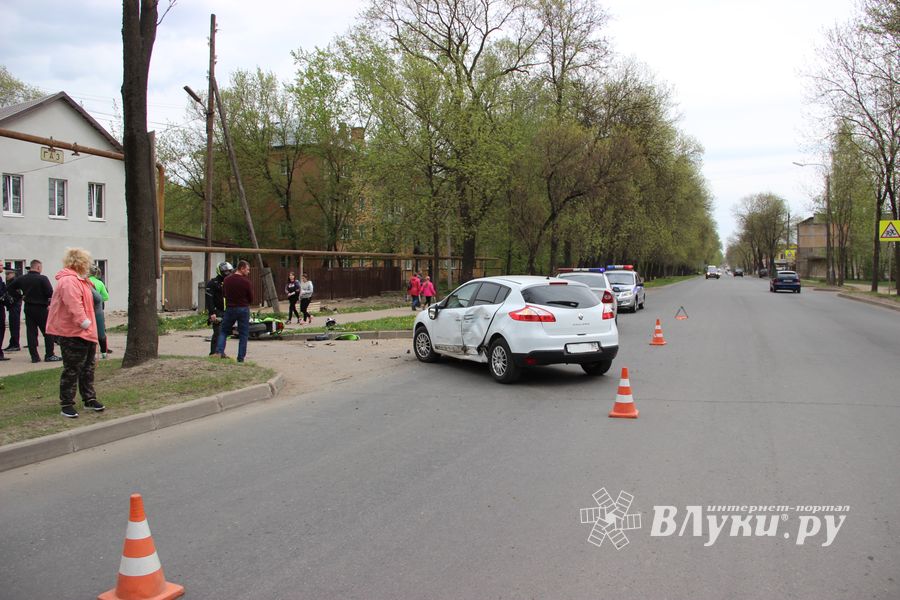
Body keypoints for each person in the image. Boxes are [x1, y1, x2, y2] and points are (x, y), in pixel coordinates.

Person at [45, 248, 103, 418]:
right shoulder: (69, 281)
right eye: (87, 262)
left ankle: (89, 399)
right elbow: (73, 304)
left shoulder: (82, 280)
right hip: (73, 332)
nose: (89, 265)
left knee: (88, 367)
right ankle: (67, 404)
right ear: (80, 262)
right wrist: (84, 322)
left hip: (86, 331)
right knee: (72, 369)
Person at [7, 259, 59, 363]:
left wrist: (20, 296)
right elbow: (50, 293)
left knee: (31, 332)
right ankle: (49, 355)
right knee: (48, 331)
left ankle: (34, 357)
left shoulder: (22, 278)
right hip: (41, 307)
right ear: (38, 267)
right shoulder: (42, 279)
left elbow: (10, 288)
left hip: (28, 307)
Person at [216, 260, 253, 363]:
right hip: (243, 309)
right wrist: (245, 302)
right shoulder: (246, 282)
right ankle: (240, 358)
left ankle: (219, 351)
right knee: (243, 334)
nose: (248, 272)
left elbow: (224, 294)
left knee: (224, 331)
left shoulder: (227, 280)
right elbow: (251, 297)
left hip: (230, 308)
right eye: (247, 269)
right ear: (241, 268)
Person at [205, 261, 233, 356]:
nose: (227, 273)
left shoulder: (229, 283)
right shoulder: (213, 283)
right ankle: (213, 353)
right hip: (217, 311)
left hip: (227, 311)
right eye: (225, 272)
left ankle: (221, 352)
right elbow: (209, 299)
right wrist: (212, 312)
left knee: (224, 333)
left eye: (229, 271)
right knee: (218, 332)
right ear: (220, 271)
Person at [88, 265, 110, 359]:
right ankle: (104, 352)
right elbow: (106, 297)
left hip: (87, 310)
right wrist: (99, 299)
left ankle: (90, 353)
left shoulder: (84, 282)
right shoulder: (99, 283)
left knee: (89, 331)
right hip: (98, 310)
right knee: (101, 330)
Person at [3, 269, 22, 352]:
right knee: (12, 326)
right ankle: (12, 343)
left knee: (14, 326)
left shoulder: (15, 282)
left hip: (15, 306)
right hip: (12, 307)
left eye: (8, 274)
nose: (6, 276)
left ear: (13, 274)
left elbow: (19, 295)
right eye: (6, 274)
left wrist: (11, 300)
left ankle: (15, 344)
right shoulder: (10, 282)